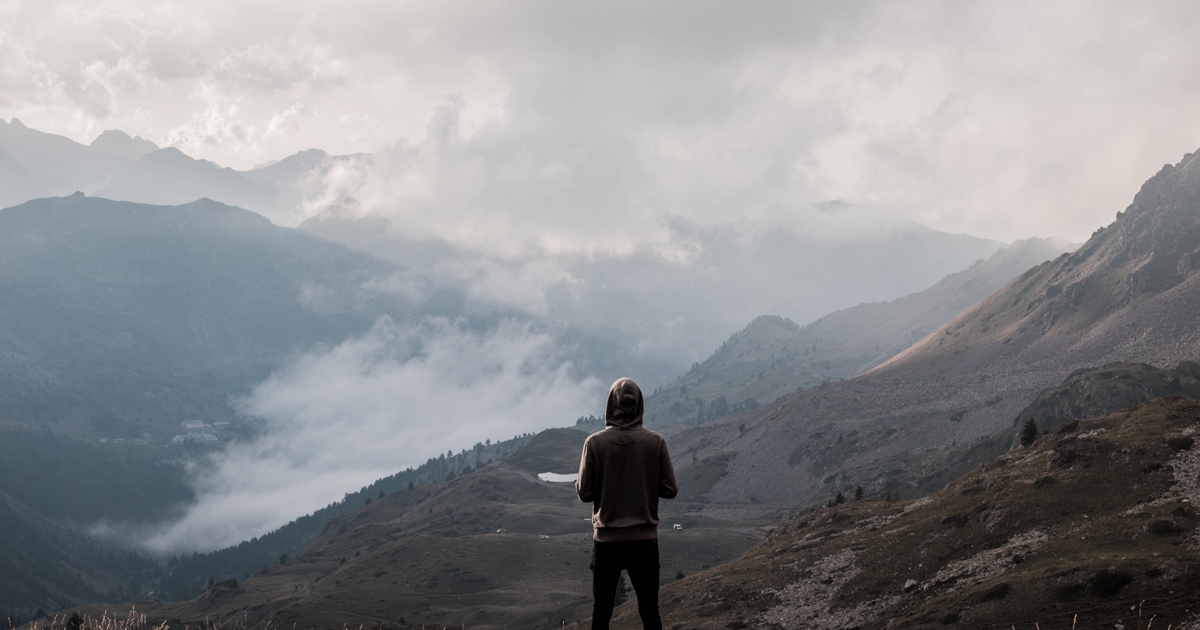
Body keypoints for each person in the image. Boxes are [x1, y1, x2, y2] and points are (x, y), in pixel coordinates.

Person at [576, 377, 678, 630]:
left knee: (601, 613)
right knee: (649, 612)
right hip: (644, 542)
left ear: (611, 404)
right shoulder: (655, 442)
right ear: (639, 405)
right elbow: (670, 490)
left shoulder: (594, 443)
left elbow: (585, 493)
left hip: (607, 542)